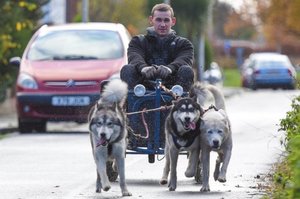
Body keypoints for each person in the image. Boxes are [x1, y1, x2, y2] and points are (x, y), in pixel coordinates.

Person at [120, 3, 194, 91]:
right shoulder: (137, 42)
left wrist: (170, 68)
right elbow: (134, 57)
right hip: (141, 90)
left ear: (173, 21)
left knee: (186, 70)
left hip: (174, 91)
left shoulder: (184, 44)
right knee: (127, 69)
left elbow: (184, 60)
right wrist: (143, 68)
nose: (162, 25)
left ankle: (182, 103)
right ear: (151, 20)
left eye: (166, 20)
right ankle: (131, 103)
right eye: (158, 20)